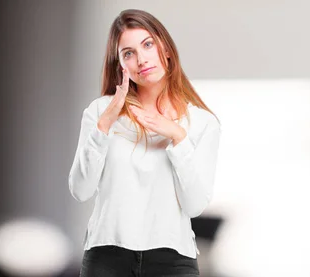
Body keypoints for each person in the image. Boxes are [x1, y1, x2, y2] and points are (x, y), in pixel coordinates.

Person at [68, 8, 221, 277]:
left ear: (167, 49)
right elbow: (81, 190)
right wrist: (104, 126)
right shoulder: (100, 112)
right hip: (106, 258)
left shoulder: (202, 124)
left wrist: (177, 136)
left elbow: (195, 204)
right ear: (120, 66)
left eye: (147, 44)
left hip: (173, 260)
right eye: (128, 53)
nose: (141, 59)